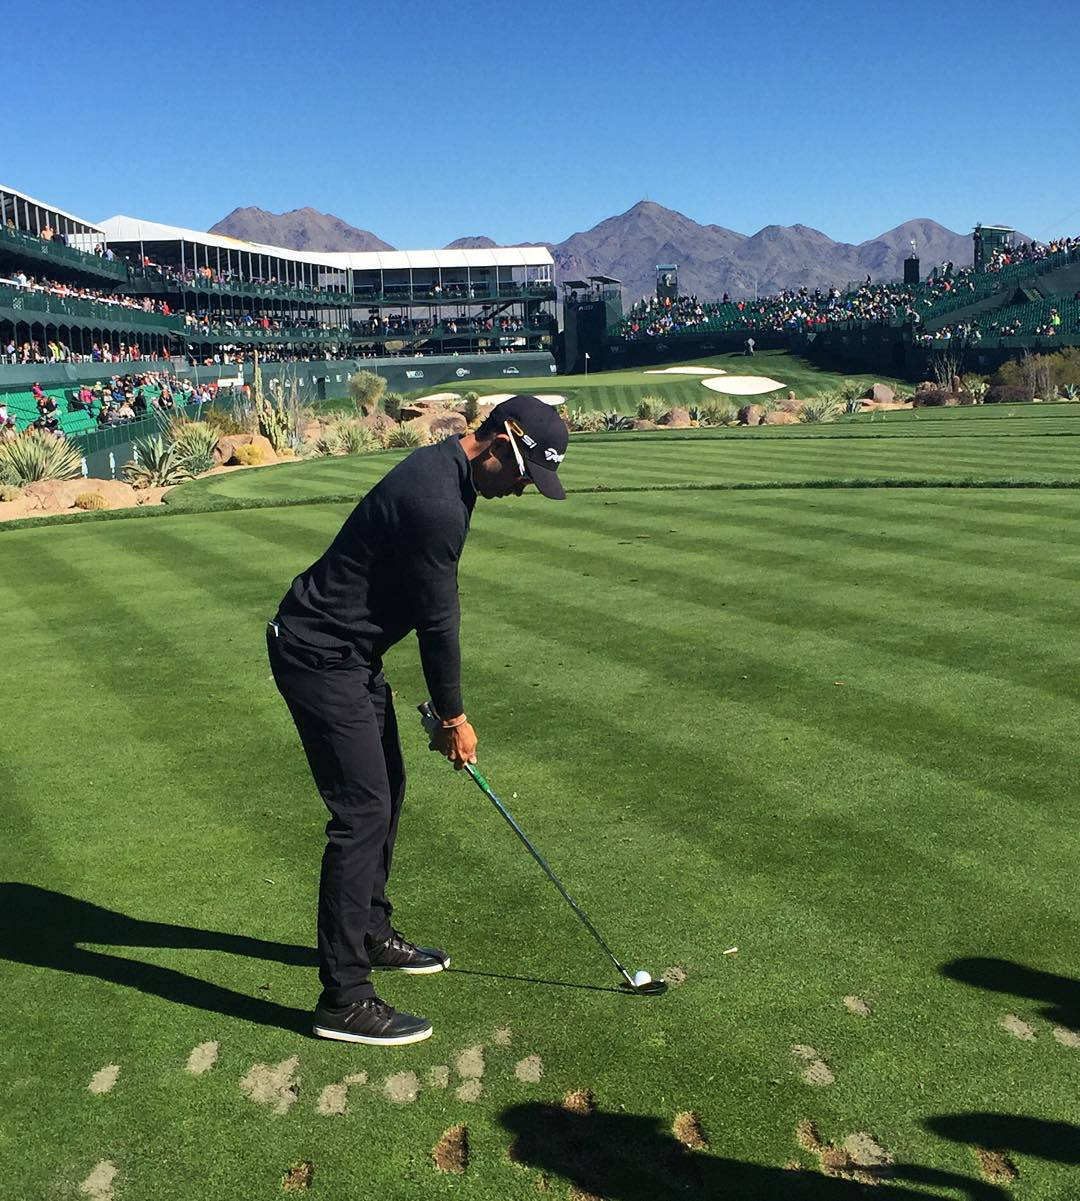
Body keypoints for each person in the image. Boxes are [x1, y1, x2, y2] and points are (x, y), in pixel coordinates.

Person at [267, 396, 569, 1047]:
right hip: (319, 654)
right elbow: (439, 624)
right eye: (522, 474)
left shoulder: (449, 479)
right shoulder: (437, 500)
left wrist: (439, 711)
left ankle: (370, 932)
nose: (522, 489)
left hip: (350, 653)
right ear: (497, 445)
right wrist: (455, 716)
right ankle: (343, 998)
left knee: (388, 786)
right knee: (361, 811)